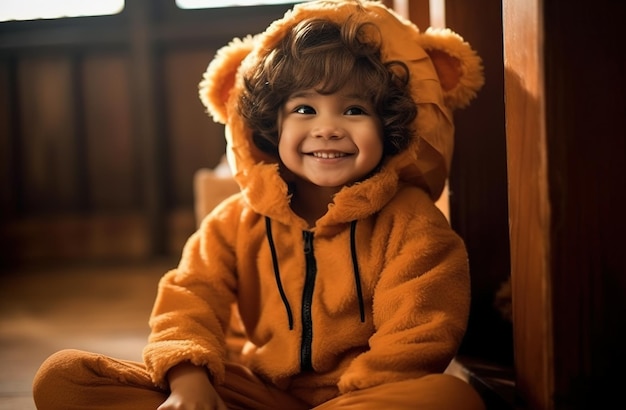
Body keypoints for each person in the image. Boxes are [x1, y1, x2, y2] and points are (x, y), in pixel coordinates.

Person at [32, 1, 485, 409]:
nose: (327, 129)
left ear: (389, 125)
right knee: (66, 378)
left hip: (363, 397)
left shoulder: (412, 221)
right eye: (305, 110)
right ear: (271, 125)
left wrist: (367, 395)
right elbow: (189, 297)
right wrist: (188, 378)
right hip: (255, 394)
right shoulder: (233, 222)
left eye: (354, 110)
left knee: (451, 398)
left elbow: (421, 332)